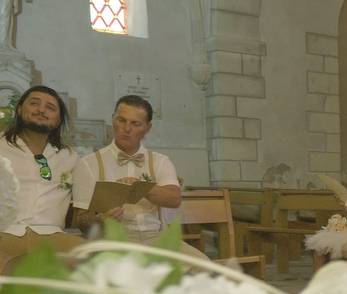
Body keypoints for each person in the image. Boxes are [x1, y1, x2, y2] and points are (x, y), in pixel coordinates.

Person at [72, 95, 205, 259]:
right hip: (112, 241)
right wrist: (102, 219)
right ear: (113, 120)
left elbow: (174, 199)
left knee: (203, 268)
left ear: (147, 128)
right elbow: (81, 220)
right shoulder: (88, 163)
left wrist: (142, 187)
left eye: (135, 124)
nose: (126, 128)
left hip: (157, 239)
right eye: (121, 120)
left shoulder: (160, 161)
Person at [0, 85, 83, 274]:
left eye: (50, 108)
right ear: (20, 109)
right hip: (6, 234)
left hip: (53, 236)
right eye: (34, 103)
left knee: (92, 263)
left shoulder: (69, 157)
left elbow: (83, 206)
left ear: (58, 119)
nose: (41, 110)